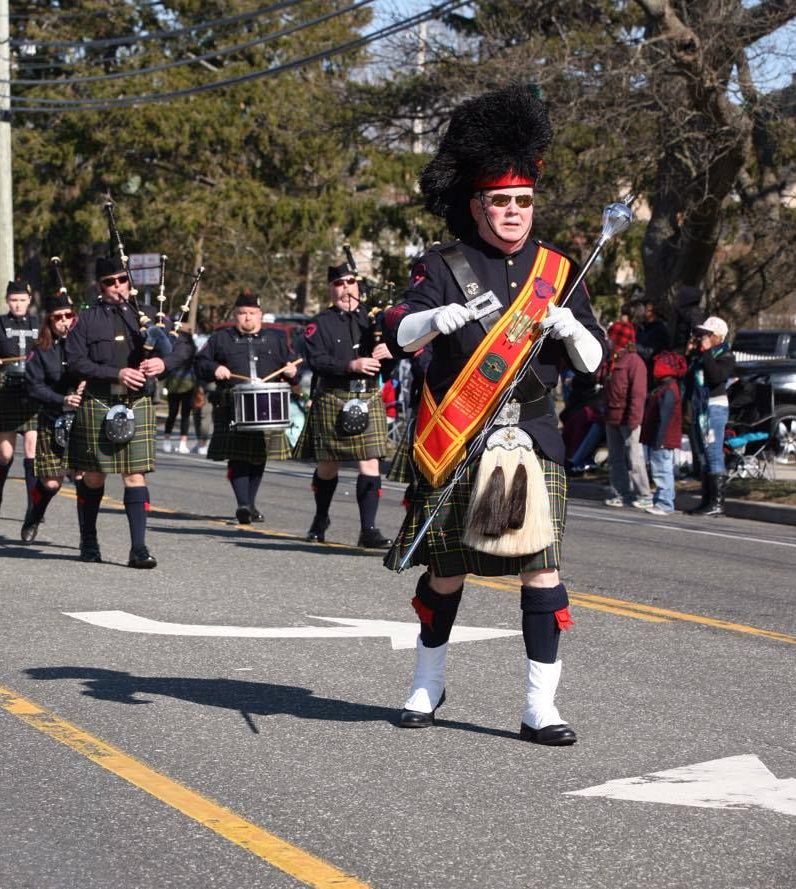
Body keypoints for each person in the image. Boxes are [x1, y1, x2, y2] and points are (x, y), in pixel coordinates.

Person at [382, 84, 607, 745]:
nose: (513, 212)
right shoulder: (444, 264)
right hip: (459, 436)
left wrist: (570, 327)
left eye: (523, 201)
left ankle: (541, 707)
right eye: (501, 200)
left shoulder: (559, 269)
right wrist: (433, 319)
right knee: (447, 569)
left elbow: (594, 361)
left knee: (542, 571)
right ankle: (426, 684)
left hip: (531, 436)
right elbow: (397, 331)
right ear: (477, 203)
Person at [65, 256, 191, 568]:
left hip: (137, 402)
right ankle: (88, 539)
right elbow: (75, 361)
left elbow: (185, 347)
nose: (117, 286)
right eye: (110, 282)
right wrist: (116, 373)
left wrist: (163, 363)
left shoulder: (149, 316)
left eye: (122, 279)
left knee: (134, 475)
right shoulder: (87, 319)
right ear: (100, 286)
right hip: (99, 400)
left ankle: (138, 548)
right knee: (94, 476)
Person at [293, 262, 393, 548]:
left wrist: (391, 352)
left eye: (350, 282)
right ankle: (320, 518)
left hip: (367, 395)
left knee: (370, 461)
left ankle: (368, 529)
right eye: (339, 283)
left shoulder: (375, 320)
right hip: (333, 396)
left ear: (357, 285)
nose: (346, 288)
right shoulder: (319, 324)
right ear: (331, 289)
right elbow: (316, 361)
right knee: (328, 465)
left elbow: (392, 362)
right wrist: (351, 365)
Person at [194, 291, 299, 524]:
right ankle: (243, 504)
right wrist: (214, 368)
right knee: (238, 457)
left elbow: (294, 367)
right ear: (235, 315)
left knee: (259, 457)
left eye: (252, 313)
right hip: (232, 403)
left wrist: (293, 372)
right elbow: (199, 363)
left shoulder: (276, 339)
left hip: (267, 405)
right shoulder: (221, 338)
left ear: (260, 315)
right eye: (242, 313)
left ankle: (249, 505)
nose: (247, 317)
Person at [0, 280, 41, 518]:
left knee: (32, 449)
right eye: (14, 300)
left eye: (22, 300)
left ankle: (34, 507)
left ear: (29, 300)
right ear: (7, 301)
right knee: (6, 454)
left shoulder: (39, 324)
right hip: (6, 388)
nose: (18, 304)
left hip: (32, 389)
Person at [20, 290, 83, 542]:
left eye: (69, 315)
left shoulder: (84, 346)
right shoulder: (40, 351)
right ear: (49, 320)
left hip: (82, 420)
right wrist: (62, 399)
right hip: (53, 417)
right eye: (58, 317)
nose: (64, 321)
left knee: (84, 479)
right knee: (51, 483)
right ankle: (34, 515)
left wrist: (87, 382)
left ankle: (87, 538)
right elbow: (34, 387)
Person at [686, 315, 734, 517]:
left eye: (707, 334)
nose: (703, 338)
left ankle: (717, 503)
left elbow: (715, 377)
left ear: (718, 337)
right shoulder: (702, 356)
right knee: (703, 455)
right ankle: (706, 501)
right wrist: (690, 354)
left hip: (715, 407)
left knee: (713, 453)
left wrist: (706, 353)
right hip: (701, 408)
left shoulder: (726, 356)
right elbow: (690, 380)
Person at [601, 320, 652, 509]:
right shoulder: (613, 360)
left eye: (610, 337)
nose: (607, 340)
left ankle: (644, 494)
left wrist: (634, 419)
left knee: (634, 458)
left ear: (619, 339)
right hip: (612, 417)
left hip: (628, 419)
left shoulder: (634, 362)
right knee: (615, 459)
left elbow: (638, 394)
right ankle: (621, 493)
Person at [641, 351, 687, 516]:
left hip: (663, 438)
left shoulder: (669, 390)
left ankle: (665, 504)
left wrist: (659, 440)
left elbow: (664, 417)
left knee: (662, 471)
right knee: (662, 469)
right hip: (661, 437)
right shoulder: (664, 388)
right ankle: (663, 501)